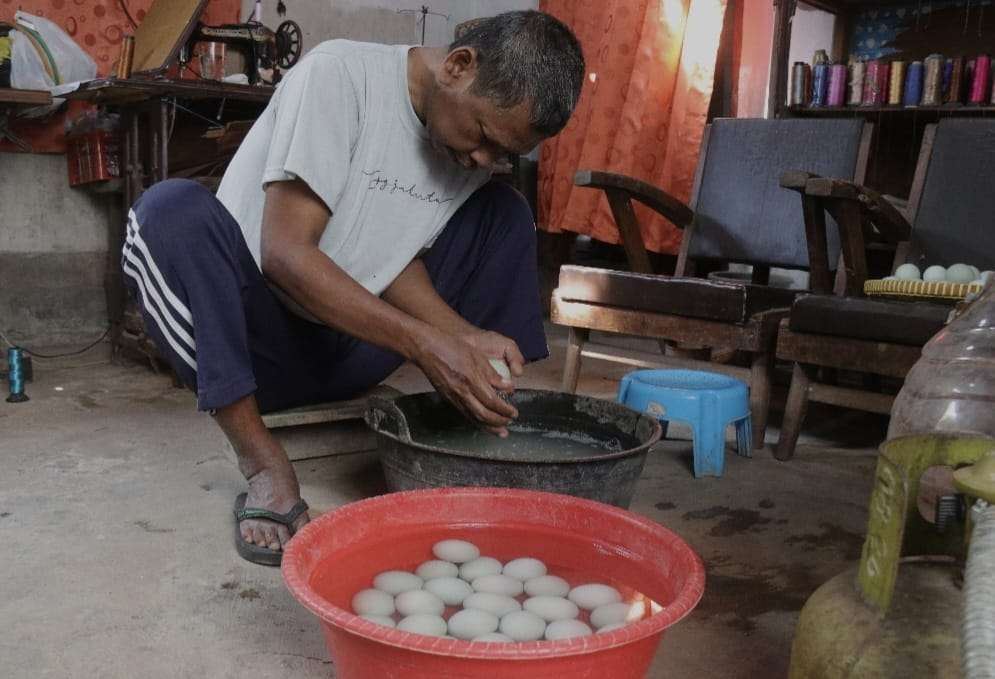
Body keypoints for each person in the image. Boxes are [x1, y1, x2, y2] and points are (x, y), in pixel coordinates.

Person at [120, 10, 585, 565]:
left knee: (505, 213)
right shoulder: (339, 78)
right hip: (250, 350)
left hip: (349, 355)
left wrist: (462, 337)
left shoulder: (464, 145)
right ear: (459, 66)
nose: (484, 158)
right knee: (170, 211)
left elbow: (392, 258)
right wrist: (423, 344)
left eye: (502, 152)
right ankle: (263, 463)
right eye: (484, 136)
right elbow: (285, 256)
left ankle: (486, 422)